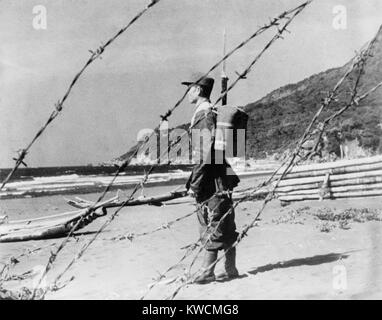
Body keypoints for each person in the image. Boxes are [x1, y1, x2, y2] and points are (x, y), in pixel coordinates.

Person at [182, 73, 240, 284]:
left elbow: (204, 154)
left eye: (190, 88)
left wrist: (195, 185)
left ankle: (208, 272)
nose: (188, 92)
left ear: (197, 90)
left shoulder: (204, 115)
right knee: (225, 222)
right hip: (222, 177)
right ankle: (230, 268)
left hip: (211, 180)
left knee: (211, 223)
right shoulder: (211, 113)